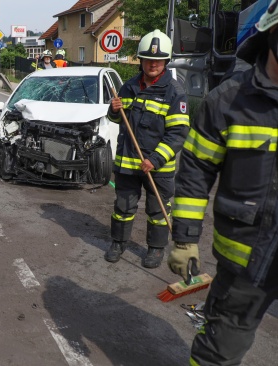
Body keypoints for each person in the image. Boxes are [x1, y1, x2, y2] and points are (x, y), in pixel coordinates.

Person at [168, 2, 278, 364]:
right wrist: (185, 238)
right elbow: (196, 170)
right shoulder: (228, 101)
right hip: (245, 261)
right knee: (219, 351)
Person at [105, 29, 190, 268]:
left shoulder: (175, 92)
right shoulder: (128, 87)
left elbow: (178, 134)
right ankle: (118, 243)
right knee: (122, 208)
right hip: (127, 164)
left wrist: (155, 160)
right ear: (140, 60)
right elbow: (116, 120)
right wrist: (113, 110)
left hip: (157, 167)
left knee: (158, 211)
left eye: (158, 60)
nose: (153, 64)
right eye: (148, 59)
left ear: (165, 62)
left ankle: (155, 249)